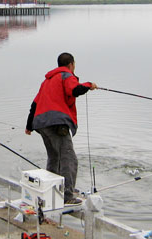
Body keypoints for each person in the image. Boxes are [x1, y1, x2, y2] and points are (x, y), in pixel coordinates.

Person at [25, 52, 97, 206]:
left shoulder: (46, 81)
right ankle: (67, 195)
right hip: (56, 123)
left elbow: (34, 104)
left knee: (54, 158)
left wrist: (29, 126)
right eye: (74, 64)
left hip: (41, 124)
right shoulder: (66, 75)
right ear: (71, 64)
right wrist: (89, 85)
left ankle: (51, 189)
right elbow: (74, 90)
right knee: (69, 158)